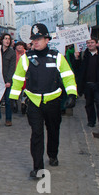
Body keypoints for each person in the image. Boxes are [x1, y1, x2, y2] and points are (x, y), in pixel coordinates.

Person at [9, 24, 77, 179]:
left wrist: (72, 94)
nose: (36, 42)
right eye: (33, 39)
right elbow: (18, 79)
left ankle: (53, 154)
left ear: (47, 39)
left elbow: (68, 76)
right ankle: (38, 168)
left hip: (53, 101)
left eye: (39, 39)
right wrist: (13, 98)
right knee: (37, 134)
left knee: (53, 130)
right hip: (33, 102)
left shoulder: (57, 56)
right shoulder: (26, 58)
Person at [0, 33, 16, 127]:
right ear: (1, 40)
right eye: (5, 38)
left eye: (9, 39)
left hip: (6, 80)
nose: (7, 40)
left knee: (7, 101)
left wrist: (8, 81)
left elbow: (12, 68)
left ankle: (8, 119)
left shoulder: (12, 53)